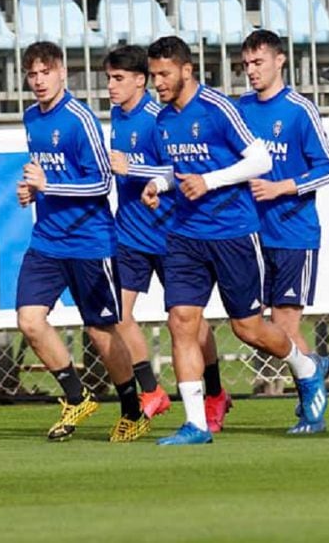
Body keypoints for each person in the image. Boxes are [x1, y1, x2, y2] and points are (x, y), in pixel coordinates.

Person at [141, 36, 328, 445]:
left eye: (163, 74)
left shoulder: (219, 108)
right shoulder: (163, 118)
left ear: (186, 70)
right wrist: (159, 182)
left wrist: (209, 182)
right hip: (185, 235)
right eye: (153, 75)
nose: (157, 83)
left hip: (233, 234)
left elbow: (261, 160)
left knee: (249, 328)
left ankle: (307, 368)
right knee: (181, 322)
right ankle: (196, 424)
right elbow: (181, 171)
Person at [15, 41, 149, 443]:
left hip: (90, 242)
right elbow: (48, 176)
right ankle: (77, 396)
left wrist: (48, 184)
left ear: (61, 74)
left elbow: (101, 182)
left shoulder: (78, 118)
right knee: (29, 320)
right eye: (32, 74)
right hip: (48, 240)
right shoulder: (30, 118)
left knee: (100, 331)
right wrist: (33, 191)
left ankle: (133, 410)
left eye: (45, 73)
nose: (38, 81)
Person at [104, 45, 230, 428]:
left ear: (140, 80)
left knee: (190, 321)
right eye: (108, 79)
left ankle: (215, 392)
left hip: (170, 232)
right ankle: (152, 390)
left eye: (118, 79)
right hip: (129, 232)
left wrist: (134, 167)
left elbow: (175, 168)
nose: (110, 86)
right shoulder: (116, 115)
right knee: (117, 314)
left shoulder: (158, 117)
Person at [237, 30, 329, 434]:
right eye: (246, 64)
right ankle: (315, 368)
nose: (251, 71)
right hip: (249, 234)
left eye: (258, 62)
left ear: (280, 61)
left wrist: (282, 186)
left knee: (287, 326)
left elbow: (328, 166)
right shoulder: (239, 109)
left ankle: (312, 408)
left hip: (293, 233)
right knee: (249, 327)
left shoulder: (298, 110)